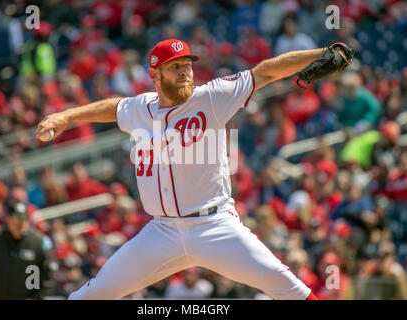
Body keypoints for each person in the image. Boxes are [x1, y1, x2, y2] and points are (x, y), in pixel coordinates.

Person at [36, 39, 350, 300]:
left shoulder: (211, 97)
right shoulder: (140, 108)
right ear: (155, 74)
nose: (186, 72)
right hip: (162, 231)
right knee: (91, 295)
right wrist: (67, 117)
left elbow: (264, 72)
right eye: (175, 67)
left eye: (188, 65)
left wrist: (320, 53)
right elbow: (113, 108)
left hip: (214, 225)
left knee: (287, 286)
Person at [0, 200, 58, 299]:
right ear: (8, 219)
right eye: (16, 220)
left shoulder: (40, 242)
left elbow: (50, 274)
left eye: (23, 219)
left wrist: (37, 297)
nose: (20, 224)